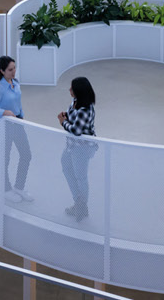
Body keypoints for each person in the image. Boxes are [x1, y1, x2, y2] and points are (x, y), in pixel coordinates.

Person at [0, 55, 32, 202]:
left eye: (14, 68)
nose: (13, 72)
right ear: (2, 71)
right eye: (10, 70)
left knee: (26, 154)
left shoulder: (15, 83)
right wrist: (5, 112)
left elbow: (18, 103)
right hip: (3, 125)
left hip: (17, 123)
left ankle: (19, 187)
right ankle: (5, 189)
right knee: (5, 157)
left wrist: (21, 116)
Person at [57, 76, 97, 220]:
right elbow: (73, 119)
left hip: (82, 149)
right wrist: (66, 116)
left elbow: (76, 130)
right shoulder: (76, 102)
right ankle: (79, 202)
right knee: (66, 167)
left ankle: (81, 206)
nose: (69, 90)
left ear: (79, 92)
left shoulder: (85, 109)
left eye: (72, 89)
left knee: (81, 177)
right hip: (72, 146)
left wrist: (63, 122)